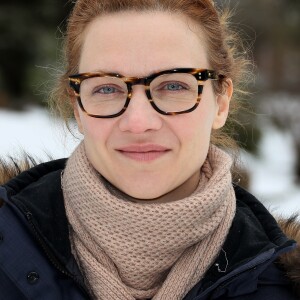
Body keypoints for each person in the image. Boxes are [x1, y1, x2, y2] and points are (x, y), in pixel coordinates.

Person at [0, 0, 299, 299]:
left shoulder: (284, 283)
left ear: (220, 102)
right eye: (106, 88)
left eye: (173, 86)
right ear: (77, 107)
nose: (139, 122)